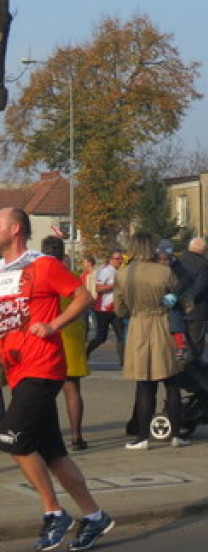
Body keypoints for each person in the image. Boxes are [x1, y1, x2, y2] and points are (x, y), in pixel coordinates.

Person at [0, 208, 115, 552]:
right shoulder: (4, 273)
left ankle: (54, 512)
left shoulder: (44, 266)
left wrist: (55, 325)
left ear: (15, 229)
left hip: (43, 366)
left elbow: (84, 296)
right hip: (17, 370)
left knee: (12, 440)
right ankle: (95, 517)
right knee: (52, 453)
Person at [115, 232, 187, 449]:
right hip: (162, 324)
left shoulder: (123, 274)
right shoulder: (164, 272)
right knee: (171, 381)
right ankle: (175, 435)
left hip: (138, 326)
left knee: (145, 384)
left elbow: (119, 310)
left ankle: (142, 437)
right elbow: (185, 300)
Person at [40, 236, 90, 451]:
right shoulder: (73, 276)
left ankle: (42, 436)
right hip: (71, 333)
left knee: (43, 391)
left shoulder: (39, 275)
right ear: (62, 254)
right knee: (72, 389)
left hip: (47, 335)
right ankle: (76, 436)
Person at [85, 250, 125, 366]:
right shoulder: (105, 272)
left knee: (121, 335)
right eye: (117, 259)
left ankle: (124, 361)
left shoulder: (120, 272)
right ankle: (86, 351)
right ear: (111, 260)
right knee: (101, 337)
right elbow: (98, 288)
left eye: (121, 259)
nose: (120, 261)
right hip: (102, 309)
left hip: (115, 309)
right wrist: (114, 286)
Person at [177, 237, 208, 361]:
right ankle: (193, 369)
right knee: (195, 344)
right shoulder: (203, 264)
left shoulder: (178, 261)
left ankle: (181, 369)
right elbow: (200, 288)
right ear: (202, 249)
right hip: (198, 309)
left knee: (180, 344)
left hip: (179, 310)